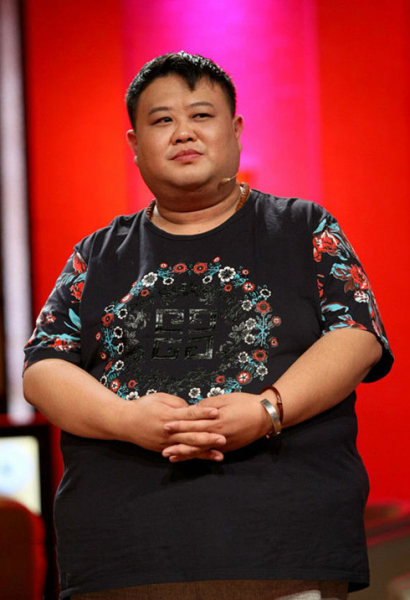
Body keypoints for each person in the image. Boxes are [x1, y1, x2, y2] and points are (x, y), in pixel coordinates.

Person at [23, 52, 393, 600]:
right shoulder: (96, 255)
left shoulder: (303, 228)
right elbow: (43, 369)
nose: (183, 133)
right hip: (123, 557)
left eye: (201, 115)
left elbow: (357, 336)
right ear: (134, 145)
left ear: (235, 131)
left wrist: (266, 410)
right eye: (162, 120)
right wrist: (127, 420)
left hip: (283, 547)